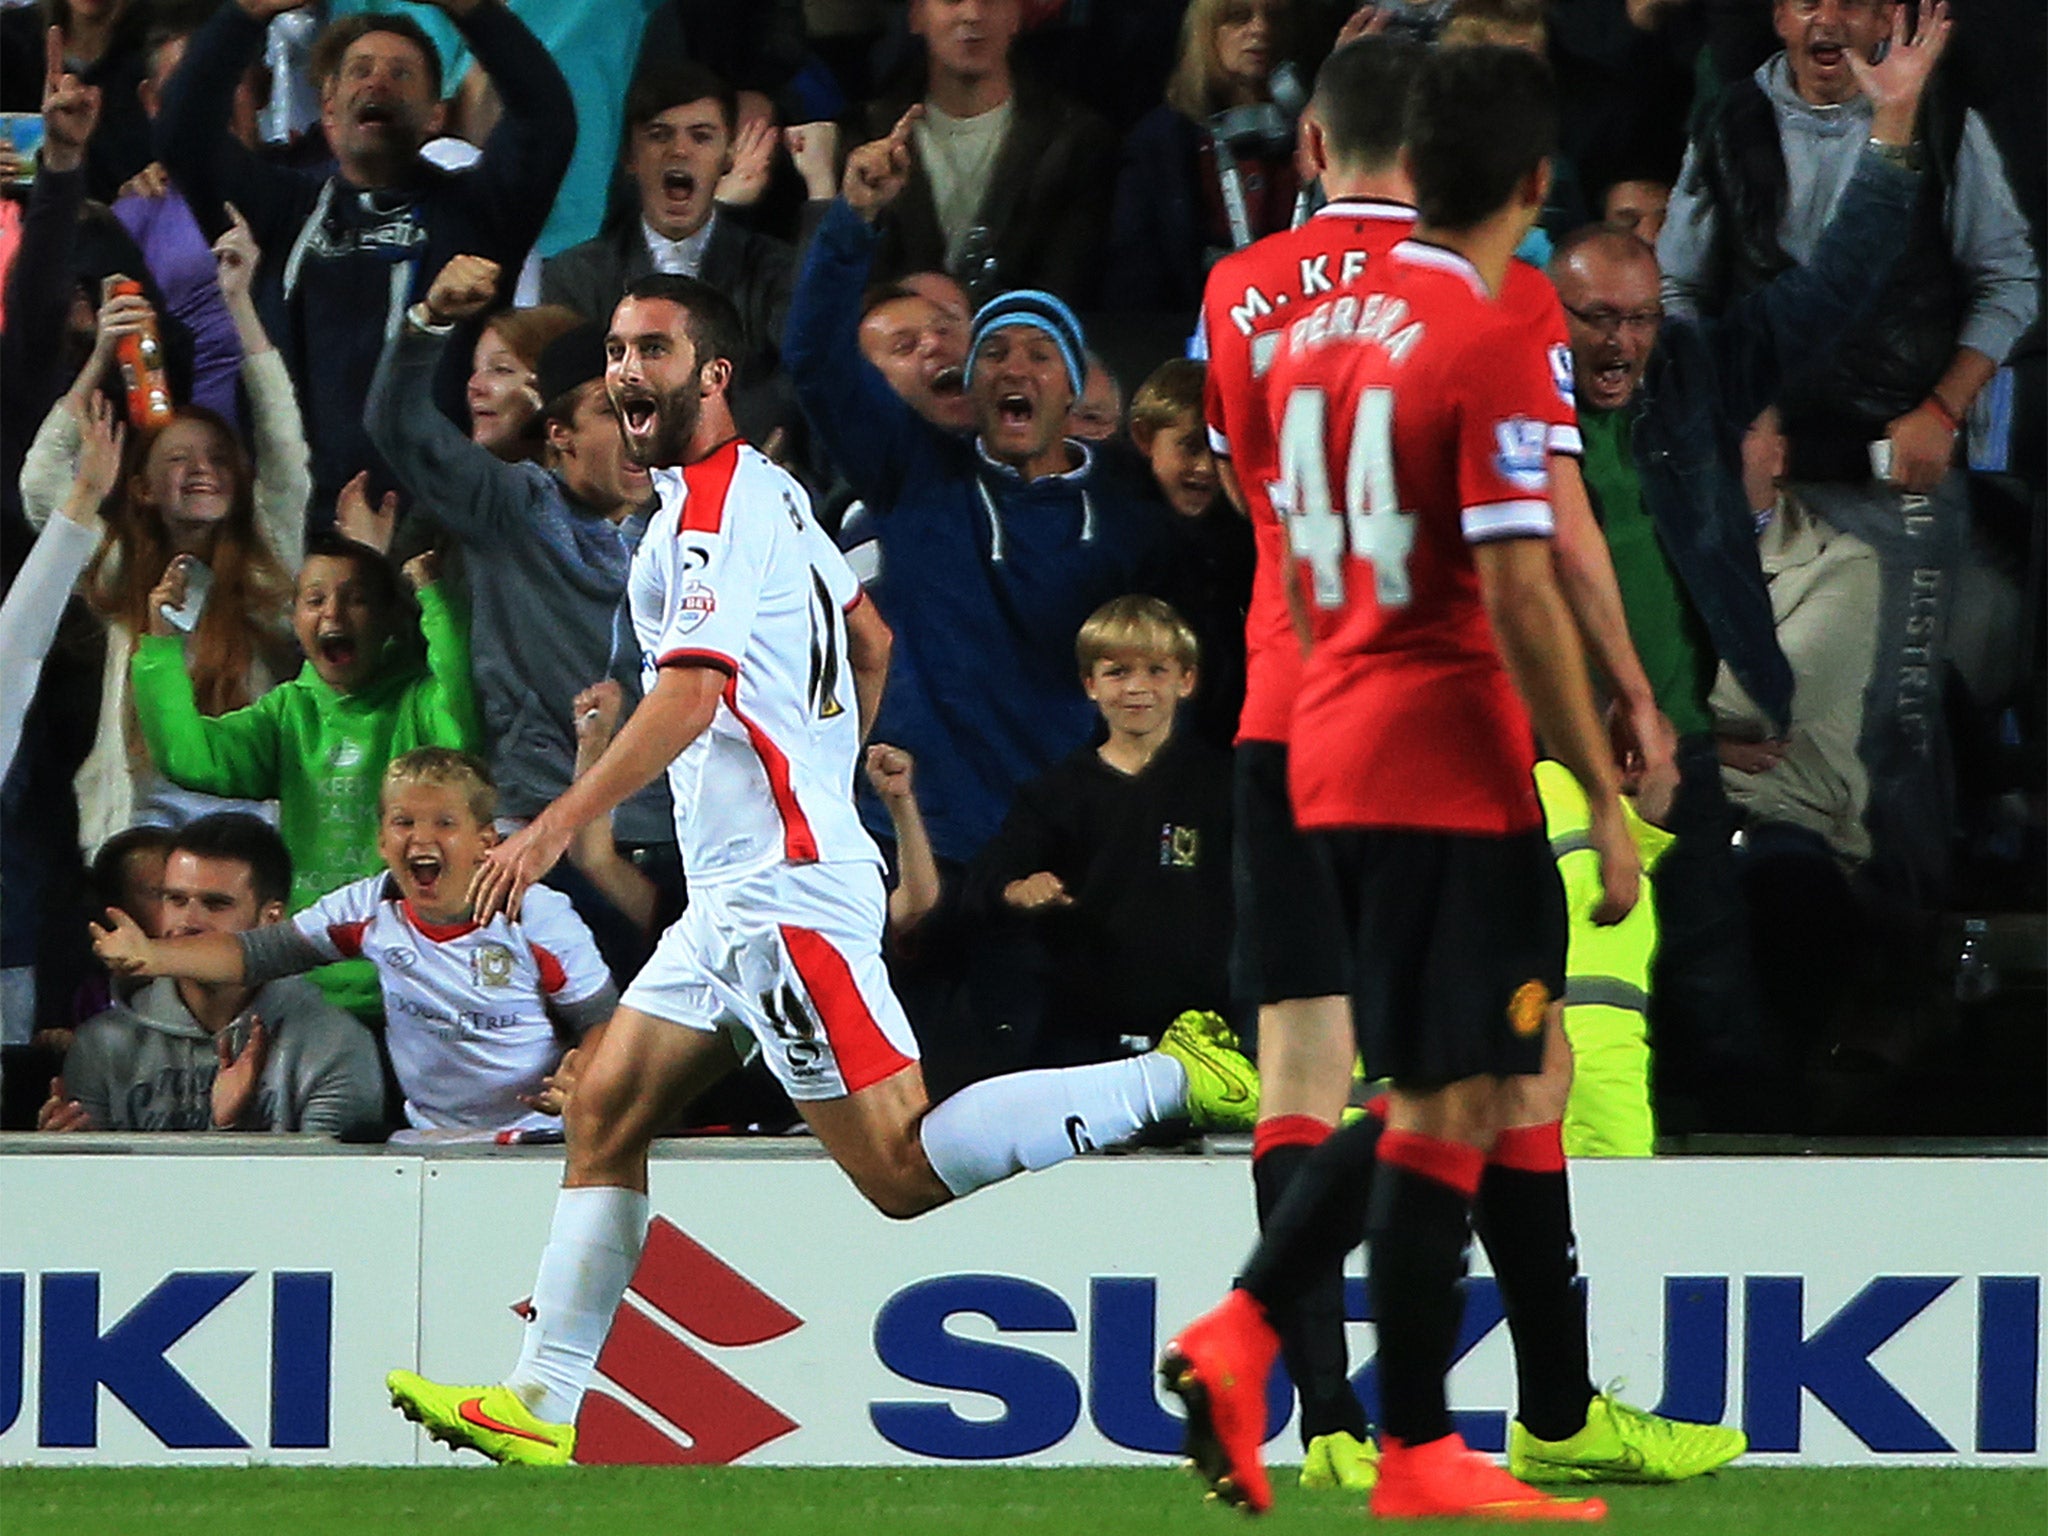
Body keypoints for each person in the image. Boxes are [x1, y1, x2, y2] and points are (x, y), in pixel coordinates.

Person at [379, 272, 1259, 1466]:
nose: (625, 371)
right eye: (617, 354)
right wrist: (819, 764)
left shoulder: (709, 516)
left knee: (897, 1169)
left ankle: (1168, 1080)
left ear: (713, 374)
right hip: (748, 889)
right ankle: (541, 1400)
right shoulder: (771, 495)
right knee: (602, 1106)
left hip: (778, 895)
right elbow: (869, 635)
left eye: (650, 350)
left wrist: (548, 827)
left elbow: (689, 692)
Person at [1160, 46, 1726, 1521]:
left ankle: (1363, 1415)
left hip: (1304, 709)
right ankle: (1386, 1396)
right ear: (1529, 191)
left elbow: (1244, 486)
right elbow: (1526, 562)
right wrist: (1606, 767)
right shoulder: (1485, 318)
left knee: (1381, 1074)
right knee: (1478, 1081)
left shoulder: (1254, 297)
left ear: (1317, 147)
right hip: (1443, 737)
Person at [1550, 3, 1947, 1128]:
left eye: (1635, 319)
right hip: (1541, 770)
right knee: (1548, 1017)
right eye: (1592, 321)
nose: (1619, 343)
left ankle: (1731, 1230)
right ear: (1550, 315)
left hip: (1677, 768)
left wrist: (1893, 129)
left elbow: (1830, 293)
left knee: (1718, 1021)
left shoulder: (1696, 373)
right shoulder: (1508, 410)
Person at [1657, 0, 2037, 904]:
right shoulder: (1730, 125)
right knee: (1773, 724)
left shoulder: (1942, 124)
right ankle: (1799, 952)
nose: (1826, 17)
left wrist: (1942, 412)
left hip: (1893, 474)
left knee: (1892, 729)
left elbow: (2010, 279)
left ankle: (1900, 966)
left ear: (1887, 15)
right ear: (1779, 15)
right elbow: (1678, 281)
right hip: (1764, 481)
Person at [786, 112, 1172, 872]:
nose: (1014, 368)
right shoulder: (915, 474)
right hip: (911, 842)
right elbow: (812, 356)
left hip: (1062, 845)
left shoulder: (1133, 522)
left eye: (1039, 354)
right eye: (993, 352)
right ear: (973, 384)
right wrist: (853, 216)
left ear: (1074, 391)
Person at [154, 0, 577, 516]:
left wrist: (475, 12)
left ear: (435, 116)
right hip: (293, 522)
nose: (378, 82)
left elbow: (547, 121)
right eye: (360, 70)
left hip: (436, 524)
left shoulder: (479, 215)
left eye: (402, 74)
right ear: (327, 106)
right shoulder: (279, 211)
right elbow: (182, 131)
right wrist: (246, 13)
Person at [95, 752, 613, 1136]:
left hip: (539, 1137)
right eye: (403, 822)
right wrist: (153, 956)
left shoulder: (538, 917)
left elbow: (604, 1022)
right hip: (425, 1144)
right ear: (383, 841)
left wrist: (582, 1077)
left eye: (444, 823)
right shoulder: (368, 908)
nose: (420, 838)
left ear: (486, 841)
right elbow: (255, 954)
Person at [19, 209, 309, 855]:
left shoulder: (273, 560)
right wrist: (99, 355)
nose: (202, 471)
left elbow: (284, 441)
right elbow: (41, 486)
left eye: (215, 459)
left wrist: (238, 301)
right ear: (145, 489)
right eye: (179, 461)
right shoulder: (126, 569)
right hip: (139, 822)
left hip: (248, 826)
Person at [130, 532, 481, 1019]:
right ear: (295, 619)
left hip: (416, 982)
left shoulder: (418, 701)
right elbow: (188, 756)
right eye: (315, 600)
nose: (333, 615)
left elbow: (462, 730)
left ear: (387, 619)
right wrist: (163, 649)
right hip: (309, 981)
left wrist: (436, 601)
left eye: (356, 599)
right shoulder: (288, 712)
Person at [365, 254, 658, 838]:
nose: (633, 428)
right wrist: (430, 320)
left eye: (641, 410)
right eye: (608, 412)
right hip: (541, 819)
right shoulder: (515, 507)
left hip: (667, 825)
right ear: (560, 433)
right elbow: (398, 422)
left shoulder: (686, 527)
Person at [965, 596, 1236, 1066]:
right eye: (1117, 672)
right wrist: (1017, 890)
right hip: (1084, 1039)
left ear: (1186, 681)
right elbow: (985, 886)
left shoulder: (1226, 786)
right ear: (1090, 684)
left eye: (1156, 670)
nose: (1137, 688)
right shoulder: (1052, 794)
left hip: (1209, 1034)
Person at [540, 61, 820, 448]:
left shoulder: (772, 267)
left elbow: (803, 373)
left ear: (727, 158)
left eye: (701, 137)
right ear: (630, 158)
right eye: (659, 135)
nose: (679, 150)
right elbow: (580, 408)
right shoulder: (575, 276)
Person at [54, 812, 383, 1136]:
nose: (188, 921)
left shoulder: (336, 1044)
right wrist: (59, 1153)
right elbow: (92, 1186)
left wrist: (232, 1127)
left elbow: (331, 1185)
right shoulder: (102, 1044)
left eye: (215, 904)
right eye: (176, 899)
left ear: (271, 919)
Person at [858, 0, 1116, 306]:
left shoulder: (1077, 139)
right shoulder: (866, 136)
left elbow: (1067, 284)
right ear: (916, 16)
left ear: (1016, 17)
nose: (973, 14)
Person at [1105, 0, 1303, 315]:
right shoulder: (1160, 143)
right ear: (1205, 31)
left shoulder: (1310, 128)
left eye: (1274, 17)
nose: (1261, 29)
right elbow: (1135, 275)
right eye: (1238, 17)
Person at [1127, 360, 1252, 751]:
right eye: (1190, 446)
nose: (1205, 468)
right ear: (1144, 437)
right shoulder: (1115, 529)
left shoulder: (1241, 537)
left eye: (1219, 452)